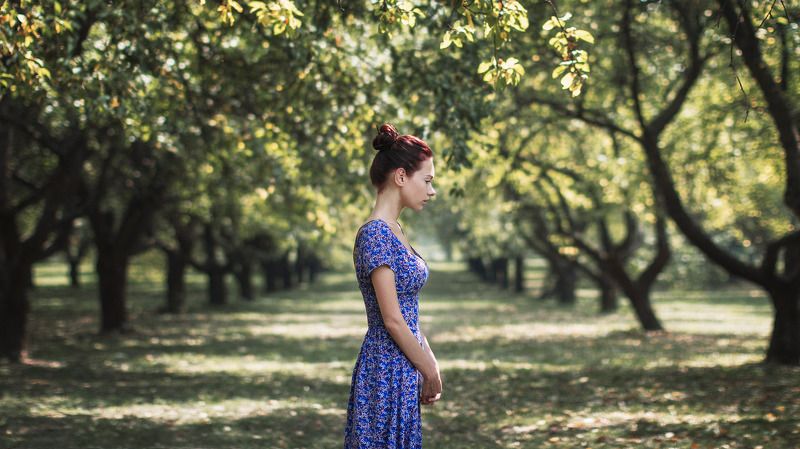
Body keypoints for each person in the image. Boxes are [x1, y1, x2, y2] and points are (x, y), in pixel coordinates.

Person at [344, 123, 442, 449]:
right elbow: (392, 320)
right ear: (401, 177)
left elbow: (409, 312)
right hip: (384, 370)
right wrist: (429, 371)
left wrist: (429, 362)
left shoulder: (395, 230)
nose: (432, 191)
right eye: (427, 181)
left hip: (404, 368)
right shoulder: (375, 234)